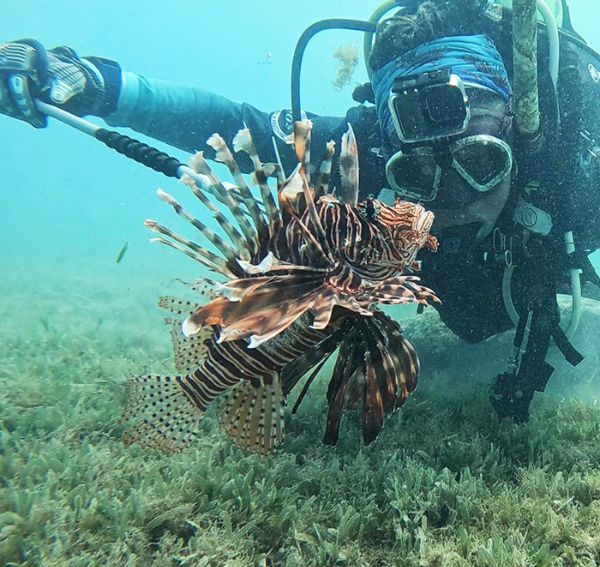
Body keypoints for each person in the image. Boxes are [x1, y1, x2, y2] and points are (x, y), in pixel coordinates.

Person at [1, 0, 599, 422]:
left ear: (522, 130)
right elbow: (239, 131)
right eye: (415, 177)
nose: (456, 199)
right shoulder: (363, 151)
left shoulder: (577, 156)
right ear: (389, 152)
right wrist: (98, 84)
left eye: (480, 161)